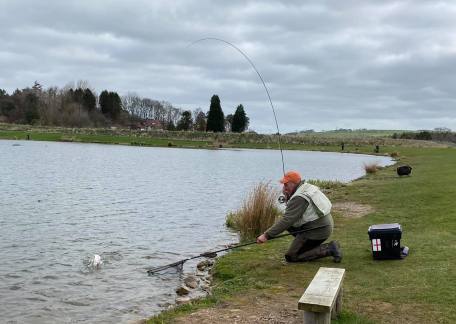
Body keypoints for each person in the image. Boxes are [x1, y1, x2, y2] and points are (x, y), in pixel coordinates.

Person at [256, 171, 342, 263]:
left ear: (293, 184)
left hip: (318, 230)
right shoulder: (306, 187)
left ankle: (329, 248)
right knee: (287, 224)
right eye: (283, 185)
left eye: (286, 185)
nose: (284, 188)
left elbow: (287, 220)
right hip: (323, 225)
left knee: (292, 256)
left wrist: (266, 235)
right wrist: (289, 197)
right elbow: (290, 218)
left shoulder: (299, 197)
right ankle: (305, 246)